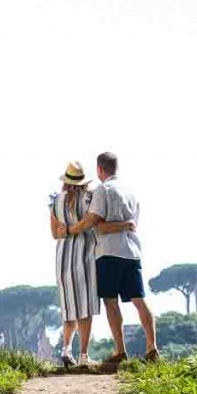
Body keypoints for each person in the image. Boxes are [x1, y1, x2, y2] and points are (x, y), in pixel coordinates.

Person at [61, 152, 158, 364]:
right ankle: (152, 348)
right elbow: (133, 224)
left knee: (111, 302)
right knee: (139, 301)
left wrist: (70, 230)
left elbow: (96, 224)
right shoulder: (131, 191)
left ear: (99, 170)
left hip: (109, 253)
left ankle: (120, 351)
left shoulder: (103, 190)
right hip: (132, 252)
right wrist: (124, 225)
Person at [49, 161, 126, 367]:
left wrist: (66, 230)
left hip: (63, 258)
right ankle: (83, 355)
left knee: (69, 306)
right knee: (86, 307)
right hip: (86, 256)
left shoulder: (55, 200)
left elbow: (55, 233)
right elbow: (96, 225)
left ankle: (66, 349)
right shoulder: (90, 197)